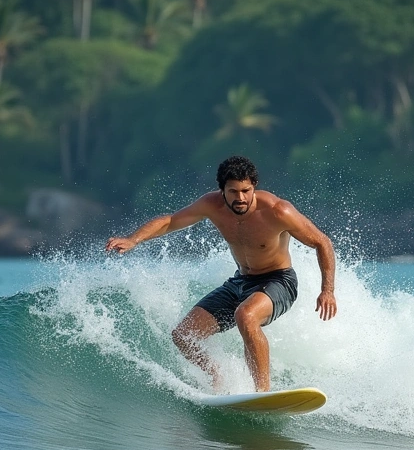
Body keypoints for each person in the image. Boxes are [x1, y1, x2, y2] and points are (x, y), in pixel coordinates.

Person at [105, 155, 337, 392]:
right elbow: (170, 221)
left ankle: (262, 392)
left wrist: (327, 290)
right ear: (222, 191)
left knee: (245, 316)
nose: (241, 198)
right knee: (184, 335)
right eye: (233, 191)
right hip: (241, 281)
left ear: (254, 186)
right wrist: (133, 239)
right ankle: (219, 378)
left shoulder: (278, 211)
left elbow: (322, 242)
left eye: (246, 190)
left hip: (279, 281)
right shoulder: (212, 205)